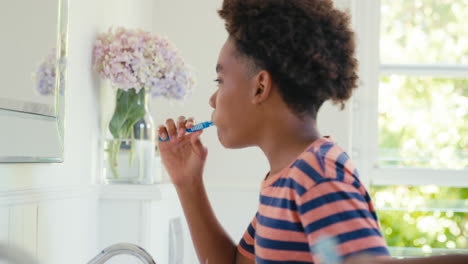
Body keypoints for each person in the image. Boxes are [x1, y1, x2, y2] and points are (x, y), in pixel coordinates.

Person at [156, 0, 466, 263]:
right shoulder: (284, 179)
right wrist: (188, 182)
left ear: (260, 86)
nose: (213, 99)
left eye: (220, 82)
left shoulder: (317, 175)